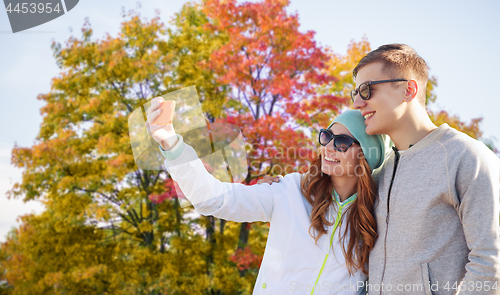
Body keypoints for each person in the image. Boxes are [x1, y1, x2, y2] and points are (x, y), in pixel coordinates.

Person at [145, 100, 386, 294]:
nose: (329, 147)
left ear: (366, 155)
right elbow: (215, 199)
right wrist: (171, 144)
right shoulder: (290, 190)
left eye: (342, 142)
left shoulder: (378, 212)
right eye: (326, 136)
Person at [348, 44, 500, 295]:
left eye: (367, 90)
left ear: (409, 89)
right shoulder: (380, 170)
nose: (356, 103)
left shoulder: (467, 157)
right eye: (355, 93)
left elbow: (490, 261)